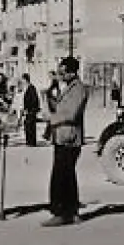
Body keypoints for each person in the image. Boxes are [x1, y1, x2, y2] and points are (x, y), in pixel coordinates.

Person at [41, 56, 89, 227]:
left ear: (72, 72)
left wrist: (51, 118)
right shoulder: (68, 88)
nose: (60, 76)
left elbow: (71, 114)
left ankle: (61, 213)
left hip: (69, 137)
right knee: (67, 175)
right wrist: (48, 95)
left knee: (60, 176)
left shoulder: (78, 89)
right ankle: (72, 211)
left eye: (63, 73)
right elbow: (60, 107)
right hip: (62, 136)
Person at [21, 74, 41, 147]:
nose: (22, 81)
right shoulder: (28, 88)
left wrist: (29, 109)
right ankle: (30, 141)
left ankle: (31, 142)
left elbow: (34, 100)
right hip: (29, 110)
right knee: (28, 125)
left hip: (31, 110)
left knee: (30, 126)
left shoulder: (31, 88)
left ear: (25, 79)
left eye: (22, 79)